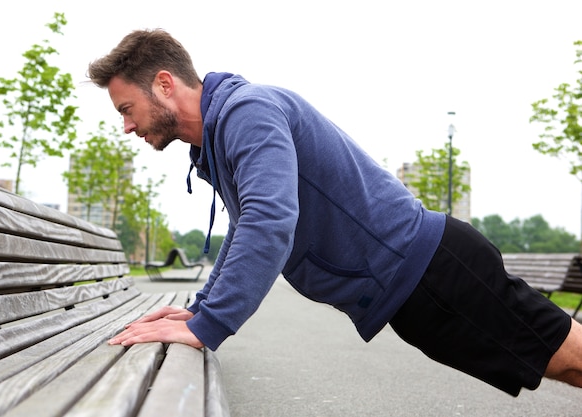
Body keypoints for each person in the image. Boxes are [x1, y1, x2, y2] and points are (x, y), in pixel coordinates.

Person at [87, 28, 582, 397]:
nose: (127, 127)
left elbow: (270, 221)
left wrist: (208, 324)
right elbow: (246, 228)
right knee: (558, 363)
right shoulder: (222, 138)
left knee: (568, 359)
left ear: (165, 84)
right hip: (413, 287)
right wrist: (199, 309)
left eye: (127, 109)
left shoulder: (248, 112)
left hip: (432, 272)